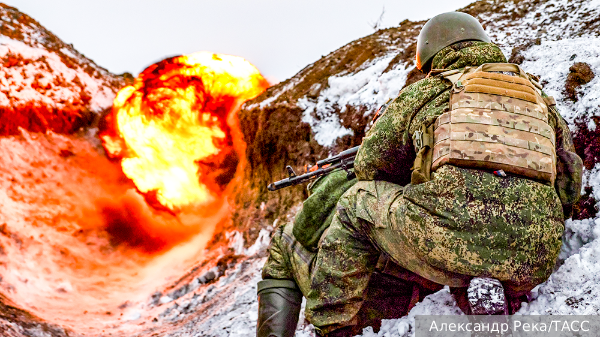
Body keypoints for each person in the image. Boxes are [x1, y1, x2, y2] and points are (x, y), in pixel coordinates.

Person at [259, 11, 583, 337]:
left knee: (358, 203)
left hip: (450, 238)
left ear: (431, 56)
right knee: (481, 240)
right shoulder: (538, 98)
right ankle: (496, 287)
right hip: (536, 256)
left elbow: (370, 167)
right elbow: (569, 184)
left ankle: (332, 328)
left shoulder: (427, 91)